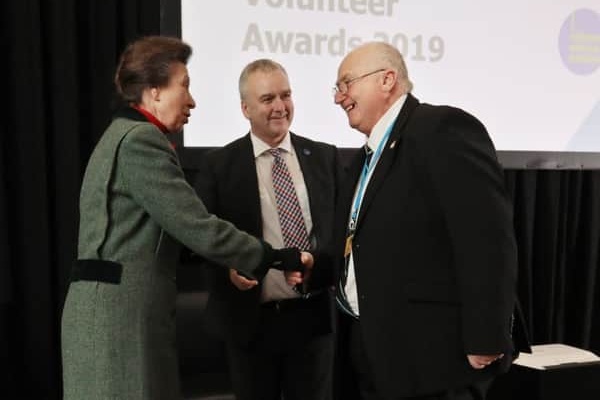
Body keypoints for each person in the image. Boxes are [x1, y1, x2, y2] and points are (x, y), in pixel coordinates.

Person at [61, 37, 308, 400]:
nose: (192, 101)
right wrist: (275, 256)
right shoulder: (141, 141)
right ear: (154, 91)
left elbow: (159, 233)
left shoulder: (120, 135)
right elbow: (197, 226)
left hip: (108, 313)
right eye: (185, 86)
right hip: (120, 320)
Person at [289, 41, 528, 400]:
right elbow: (365, 243)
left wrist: (488, 335)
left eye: (346, 83)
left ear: (387, 80)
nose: (339, 98)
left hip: (434, 360)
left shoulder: (441, 129)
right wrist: (318, 268)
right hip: (374, 354)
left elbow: (486, 239)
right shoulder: (363, 160)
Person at [194, 59, 340, 400]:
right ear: (245, 108)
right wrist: (228, 268)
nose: (280, 107)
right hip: (251, 323)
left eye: (285, 95)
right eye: (267, 98)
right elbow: (200, 238)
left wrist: (318, 265)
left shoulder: (324, 157)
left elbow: (338, 235)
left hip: (313, 319)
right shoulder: (219, 166)